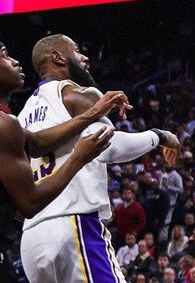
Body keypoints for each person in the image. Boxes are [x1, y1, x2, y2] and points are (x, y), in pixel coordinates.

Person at [17, 34, 181, 283]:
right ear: (58, 58)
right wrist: (159, 136)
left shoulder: (21, 117)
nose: (84, 57)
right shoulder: (77, 93)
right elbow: (109, 147)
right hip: (72, 223)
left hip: (31, 240)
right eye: (76, 50)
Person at [0, 40, 129, 281]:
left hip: (29, 243)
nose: (15, 61)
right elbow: (29, 203)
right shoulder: (5, 124)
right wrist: (77, 158)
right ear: (58, 57)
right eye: (5, 56)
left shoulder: (16, 119)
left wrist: (93, 111)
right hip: (66, 222)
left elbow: (37, 143)